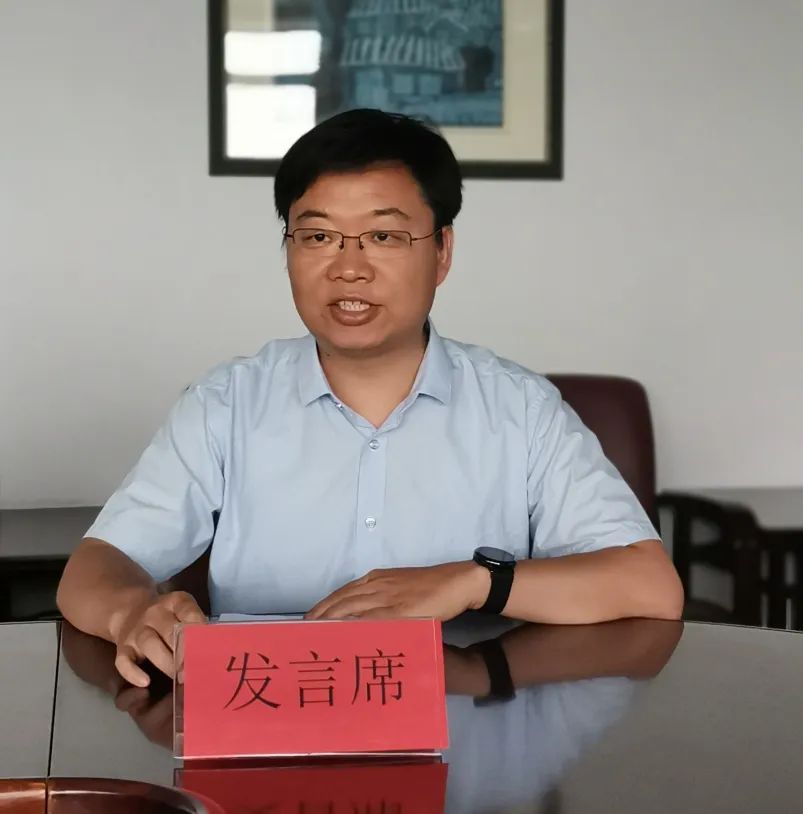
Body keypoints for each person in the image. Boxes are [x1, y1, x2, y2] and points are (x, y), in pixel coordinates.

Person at [57, 109, 683, 688]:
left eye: (383, 236)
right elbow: (97, 564)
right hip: (271, 724)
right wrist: (131, 613)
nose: (348, 268)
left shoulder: (522, 410)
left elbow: (649, 585)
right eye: (318, 237)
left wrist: (473, 583)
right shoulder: (225, 405)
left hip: (465, 726)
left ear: (442, 252)